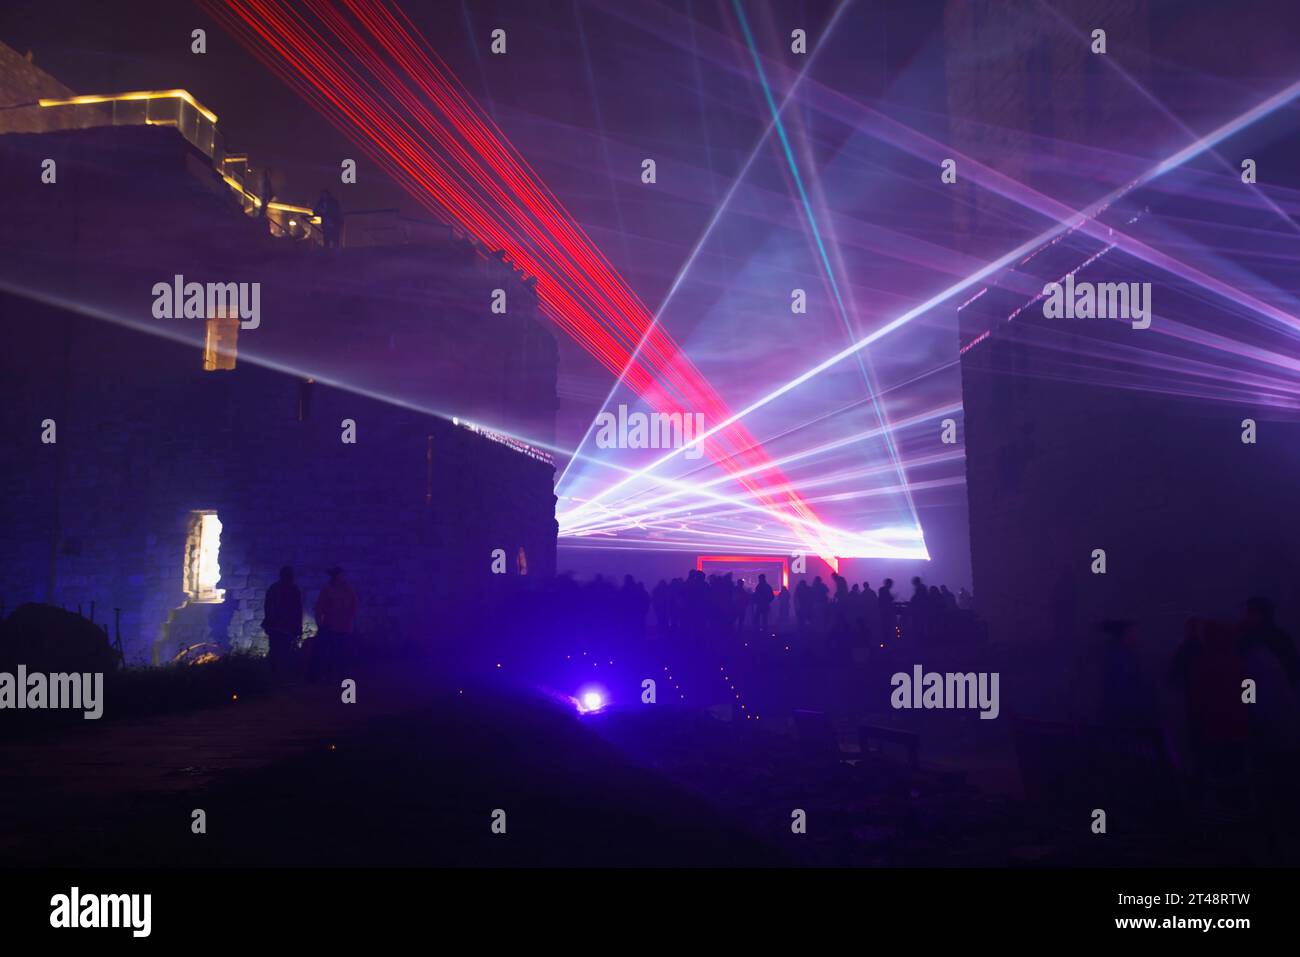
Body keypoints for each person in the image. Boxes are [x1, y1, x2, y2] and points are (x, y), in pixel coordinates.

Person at [311, 566, 358, 682]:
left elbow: (354, 607)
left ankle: (338, 676)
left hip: (341, 627)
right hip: (331, 627)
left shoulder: (347, 589)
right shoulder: (329, 589)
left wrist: (349, 620)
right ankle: (332, 677)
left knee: (340, 653)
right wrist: (320, 625)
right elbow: (319, 608)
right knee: (332, 653)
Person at [262, 565, 302, 683]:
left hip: (282, 627)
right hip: (280, 627)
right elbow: (269, 607)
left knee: (280, 652)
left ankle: (278, 678)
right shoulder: (288, 589)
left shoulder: (278, 589)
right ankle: (277, 678)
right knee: (280, 652)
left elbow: (297, 610)